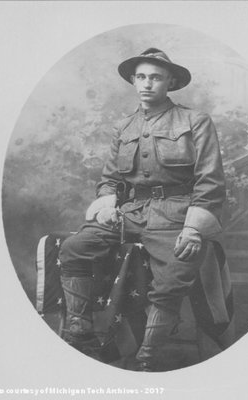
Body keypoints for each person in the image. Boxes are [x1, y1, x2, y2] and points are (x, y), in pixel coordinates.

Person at [59, 48, 226, 371]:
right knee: (74, 248)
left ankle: (146, 360)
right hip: (132, 212)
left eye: (156, 77)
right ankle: (79, 331)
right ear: (133, 81)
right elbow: (110, 180)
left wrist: (193, 227)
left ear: (171, 82)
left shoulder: (195, 121)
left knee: (172, 279)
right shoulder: (124, 128)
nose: (147, 84)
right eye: (141, 77)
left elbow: (211, 179)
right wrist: (108, 201)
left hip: (177, 213)